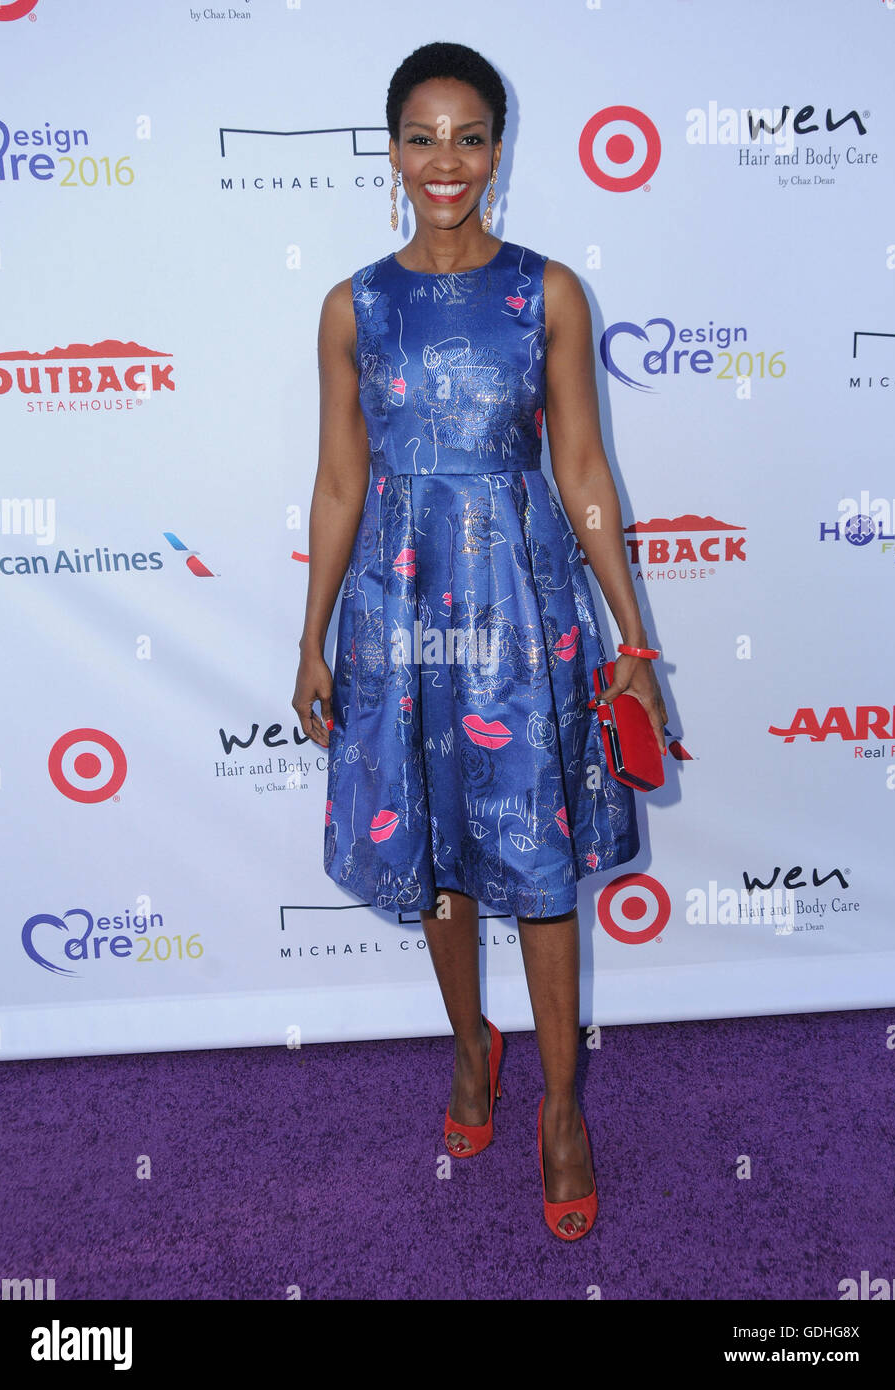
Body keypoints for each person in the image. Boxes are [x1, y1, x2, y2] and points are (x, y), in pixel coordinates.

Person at [293, 41, 668, 1240]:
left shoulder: (545, 292)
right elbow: (341, 480)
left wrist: (634, 640)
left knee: (539, 866)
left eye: (467, 136)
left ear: (498, 149)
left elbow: (585, 471)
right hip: (398, 612)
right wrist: (313, 636)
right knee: (437, 853)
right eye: (421, 136)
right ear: (391, 151)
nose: (443, 160)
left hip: (519, 608)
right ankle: (471, 1049)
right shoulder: (352, 304)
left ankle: (562, 1111)